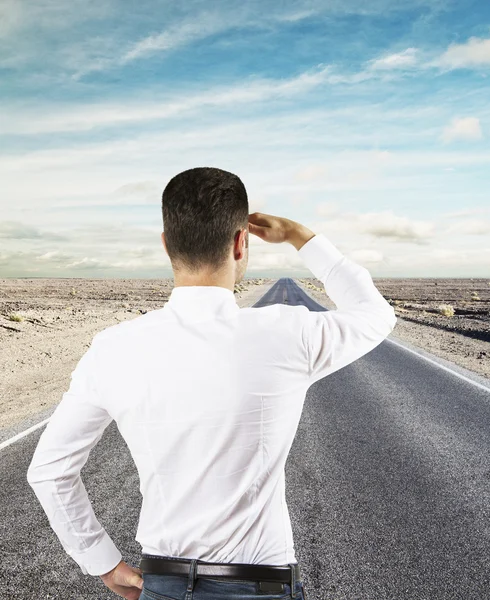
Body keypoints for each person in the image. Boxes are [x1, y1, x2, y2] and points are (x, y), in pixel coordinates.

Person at [26, 166, 397, 599]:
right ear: (241, 243)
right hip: (257, 586)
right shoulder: (287, 333)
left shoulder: (111, 348)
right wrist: (301, 236)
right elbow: (375, 314)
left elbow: (49, 472)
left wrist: (103, 562)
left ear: (167, 245)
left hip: (161, 584)